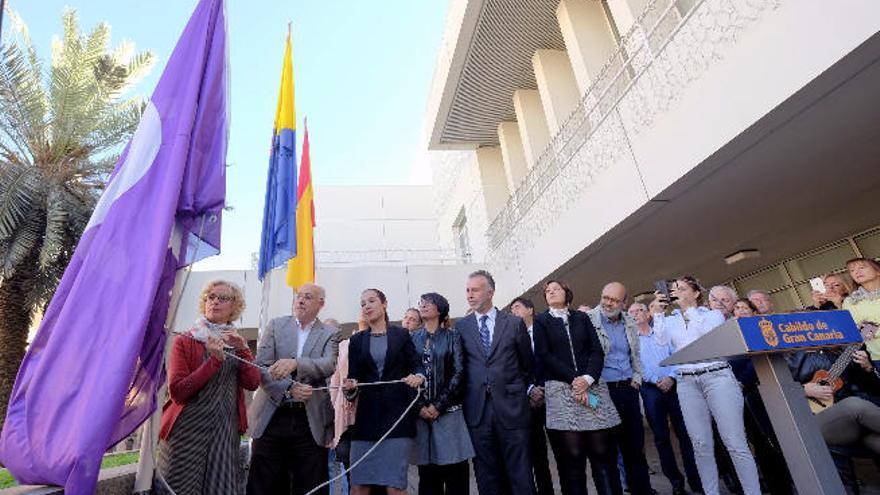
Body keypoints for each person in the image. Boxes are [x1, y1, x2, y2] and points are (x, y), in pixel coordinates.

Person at [653, 276, 761, 495]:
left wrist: (689, 309)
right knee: (701, 445)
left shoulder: (712, 315)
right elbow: (661, 341)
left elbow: (707, 335)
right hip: (686, 381)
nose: (677, 293)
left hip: (717, 377)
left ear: (696, 293)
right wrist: (657, 313)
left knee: (734, 442)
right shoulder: (671, 319)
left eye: (682, 289)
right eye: (674, 290)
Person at [159, 280, 260, 495]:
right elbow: (178, 392)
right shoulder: (186, 340)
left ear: (234, 306)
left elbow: (252, 383)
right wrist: (213, 362)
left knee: (220, 490)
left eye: (222, 298)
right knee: (178, 489)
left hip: (225, 431)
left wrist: (243, 350)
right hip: (188, 430)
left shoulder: (236, 342)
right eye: (210, 297)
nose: (214, 302)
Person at [247, 283, 340, 495]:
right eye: (298, 296)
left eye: (308, 297)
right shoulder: (276, 326)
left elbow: (329, 364)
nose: (300, 300)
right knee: (264, 483)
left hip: (310, 421)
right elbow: (260, 366)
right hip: (272, 415)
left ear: (320, 303)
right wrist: (288, 388)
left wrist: (297, 363)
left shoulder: (329, 333)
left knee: (311, 484)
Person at [535, 280, 622, 495]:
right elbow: (544, 355)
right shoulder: (540, 320)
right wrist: (576, 381)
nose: (552, 292)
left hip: (591, 388)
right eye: (547, 291)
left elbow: (596, 351)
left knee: (602, 453)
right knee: (572, 457)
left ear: (567, 293)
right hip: (562, 391)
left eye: (556, 289)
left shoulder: (582, 318)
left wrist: (588, 379)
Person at [456, 270, 537, 495]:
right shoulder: (462, 327)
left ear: (490, 292)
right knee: (487, 475)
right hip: (478, 411)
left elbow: (527, 364)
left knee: (520, 473)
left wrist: (521, 390)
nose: (470, 295)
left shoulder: (513, 323)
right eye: (467, 290)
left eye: (475, 290)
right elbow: (460, 368)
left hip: (512, 408)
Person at [343, 289, 425, 495]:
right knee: (358, 486)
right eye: (363, 304)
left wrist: (418, 377)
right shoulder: (357, 341)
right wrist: (350, 388)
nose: (367, 306)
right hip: (366, 421)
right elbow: (354, 379)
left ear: (384, 304)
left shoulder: (402, 334)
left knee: (394, 486)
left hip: (397, 419)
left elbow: (418, 367)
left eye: (371, 301)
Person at [587, 283, 653, 495]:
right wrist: (591, 397)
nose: (607, 303)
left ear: (624, 303)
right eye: (605, 297)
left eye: (614, 300)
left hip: (628, 390)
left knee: (635, 450)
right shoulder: (587, 321)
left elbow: (636, 355)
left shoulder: (630, 322)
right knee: (606, 453)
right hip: (602, 393)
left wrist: (637, 379)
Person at [629, 302, 701, 495]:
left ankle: (696, 479)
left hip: (675, 385)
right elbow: (636, 366)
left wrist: (671, 377)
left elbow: (677, 354)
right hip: (651, 390)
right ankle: (676, 482)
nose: (637, 314)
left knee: (685, 434)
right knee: (661, 438)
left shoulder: (664, 332)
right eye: (632, 312)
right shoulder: (630, 341)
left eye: (640, 310)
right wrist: (656, 380)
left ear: (648, 314)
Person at [410, 292, 474, 495]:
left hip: (449, 413)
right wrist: (420, 406)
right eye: (421, 302)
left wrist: (439, 404)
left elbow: (459, 372)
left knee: (455, 473)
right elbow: (407, 372)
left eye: (429, 302)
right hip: (421, 416)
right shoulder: (412, 338)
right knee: (428, 476)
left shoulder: (452, 336)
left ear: (440, 308)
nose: (423, 305)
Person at [510, 296, 554, 495]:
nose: (514, 312)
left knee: (563, 449)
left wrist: (544, 388)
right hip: (528, 401)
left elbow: (554, 360)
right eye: (511, 310)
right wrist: (530, 389)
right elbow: (513, 368)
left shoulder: (545, 331)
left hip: (552, 396)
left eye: (517, 308)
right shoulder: (511, 337)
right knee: (537, 454)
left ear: (530, 310)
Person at [843, 257, 880, 364]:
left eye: (862, 267)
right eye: (852, 270)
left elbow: (868, 328)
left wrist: (872, 326)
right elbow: (860, 331)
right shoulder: (850, 302)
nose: (856, 272)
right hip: (878, 357)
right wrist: (868, 328)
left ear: (878, 271)